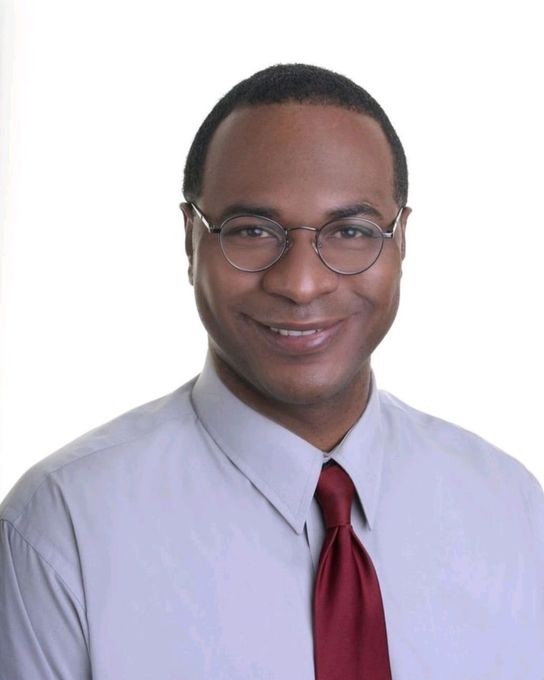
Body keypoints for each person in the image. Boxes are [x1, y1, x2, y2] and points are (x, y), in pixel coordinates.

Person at [0, 63, 543, 680]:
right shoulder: (60, 529)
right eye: (253, 230)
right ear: (189, 239)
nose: (301, 283)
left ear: (401, 242)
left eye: (350, 231)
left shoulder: (514, 511)